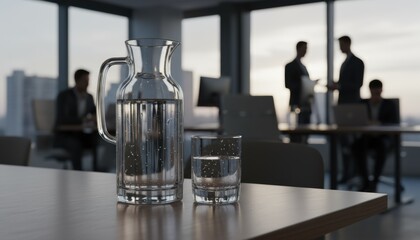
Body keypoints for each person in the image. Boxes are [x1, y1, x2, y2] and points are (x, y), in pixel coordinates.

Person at [352, 79, 399, 192]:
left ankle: (375, 182)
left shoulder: (389, 105)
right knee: (356, 146)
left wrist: (380, 124)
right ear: (370, 91)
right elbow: (356, 120)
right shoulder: (362, 104)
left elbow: (395, 123)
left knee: (381, 147)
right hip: (367, 138)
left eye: (378, 92)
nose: (375, 95)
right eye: (374, 92)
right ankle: (365, 181)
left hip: (383, 138)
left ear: (382, 90)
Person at [330, 35, 365, 183]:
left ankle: (354, 173)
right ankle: (347, 173)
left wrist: (339, 87)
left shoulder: (357, 62)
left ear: (347, 44)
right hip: (343, 107)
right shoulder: (346, 62)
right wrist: (337, 85)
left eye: (341, 44)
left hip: (351, 108)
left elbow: (357, 84)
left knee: (353, 143)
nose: (339, 48)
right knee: (344, 142)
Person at [54, 69, 97, 171]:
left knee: (98, 142)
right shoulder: (64, 96)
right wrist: (84, 120)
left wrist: (95, 118)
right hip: (64, 135)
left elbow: (94, 113)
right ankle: (78, 174)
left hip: (82, 134)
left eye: (88, 81)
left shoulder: (89, 97)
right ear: (77, 81)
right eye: (85, 81)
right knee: (76, 145)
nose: (87, 84)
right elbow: (62, 119)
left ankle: (98, 170)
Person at [285, 41, 316, 142]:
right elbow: (288, 84)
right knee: (296, 136)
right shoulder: (290, 66)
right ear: (298, 49)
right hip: (296, 105)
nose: (306, 51)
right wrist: (304, 84)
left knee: (305, 135)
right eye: (304, 49)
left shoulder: (304, 67)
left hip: (306, 105)